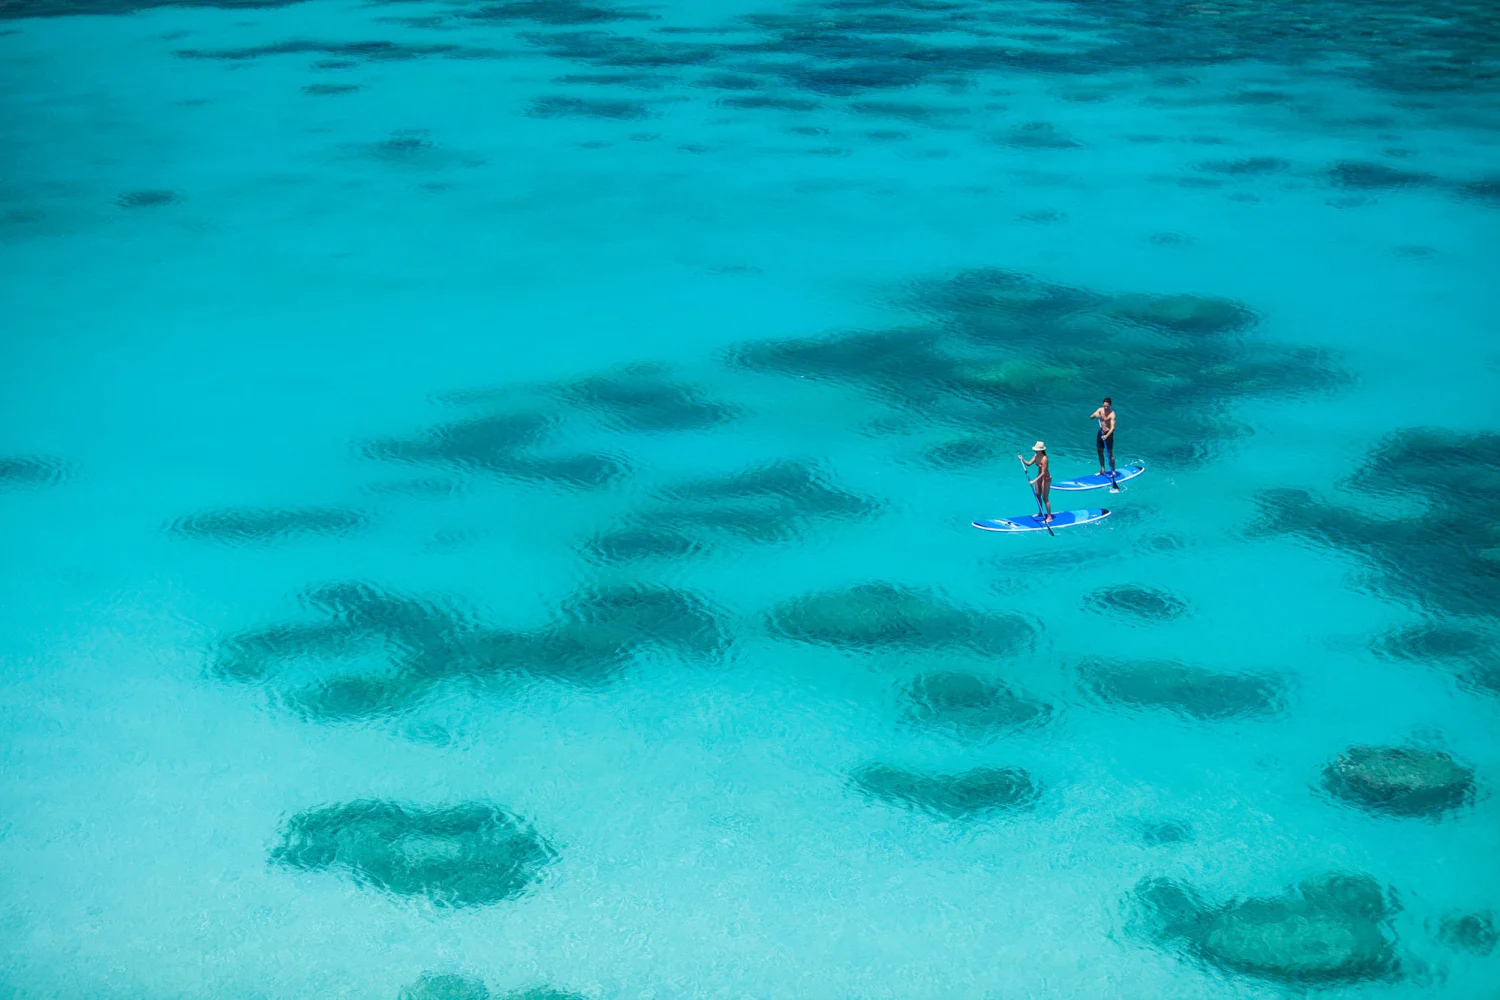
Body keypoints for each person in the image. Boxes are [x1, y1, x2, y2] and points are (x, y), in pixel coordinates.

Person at [1018, 441, 1052, 522]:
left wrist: (1033, 481)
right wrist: (1022, 459)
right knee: (1037, 495)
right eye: (1035, 450)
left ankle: (1049, 517)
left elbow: (1043, 472)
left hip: (1046, 478)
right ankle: (1040, 512)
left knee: (1045, 498)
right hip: (1039, 477)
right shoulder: (1036, 455)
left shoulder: (1044, 459)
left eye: (1037, 450)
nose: (1035, 451)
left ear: (1041, 450)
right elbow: (1029, 463)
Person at [1090, 396, 1116, 486]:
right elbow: (1091, 417)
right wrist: (1095, 415)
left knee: (1109, 453)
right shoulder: (1100, 410)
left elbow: (1113, 428)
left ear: (1110, 406)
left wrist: (1106, 436)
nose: (1105, 408)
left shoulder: (1112, 414)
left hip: (1108, 434)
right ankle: (1102, 469)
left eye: (1107, 406)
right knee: (1099, 451)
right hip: (1100, 433)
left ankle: (1113, 470)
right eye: (1104, 406)